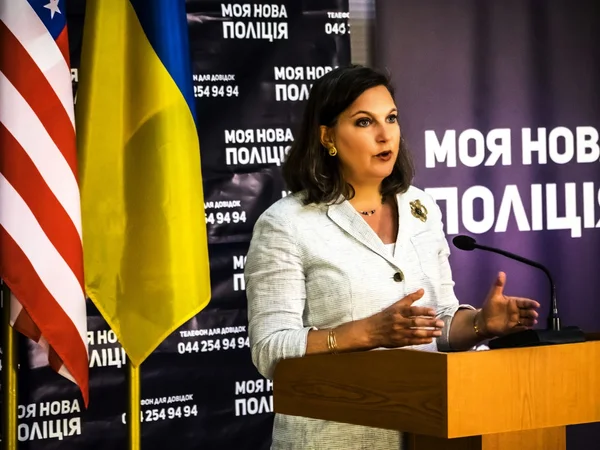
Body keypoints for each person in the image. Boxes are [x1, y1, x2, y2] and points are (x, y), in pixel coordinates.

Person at [244, 65, 540, 450]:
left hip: (426, 433)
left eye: (392, 118)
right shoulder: (286, 224)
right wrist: (369, 332)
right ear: (327, 136)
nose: (385, 134)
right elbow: (269, 350)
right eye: (365, 122)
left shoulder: (420, 206)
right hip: (331, 438)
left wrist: (482, 324)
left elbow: (439, 324)